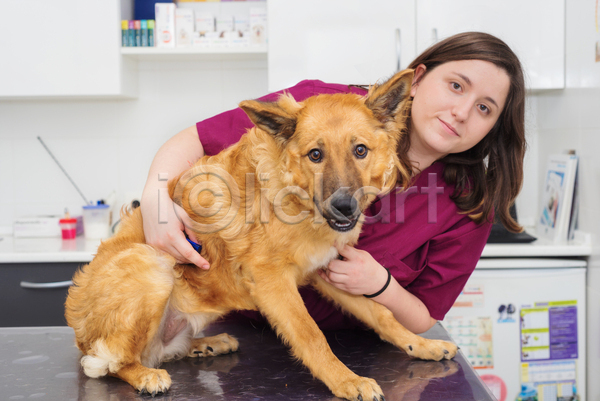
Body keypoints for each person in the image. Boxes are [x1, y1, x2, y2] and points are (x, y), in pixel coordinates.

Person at [140, 32, 526, 334]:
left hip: (361, 357)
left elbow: (425, 320)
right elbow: (191, 142)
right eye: (456, 86)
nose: (461, 112)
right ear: (417, 79)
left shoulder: (469, 203)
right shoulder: (319, 110)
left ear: (493, 126)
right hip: (233, 332)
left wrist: (381, 285)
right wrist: (155, 200)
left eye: (484, 108)